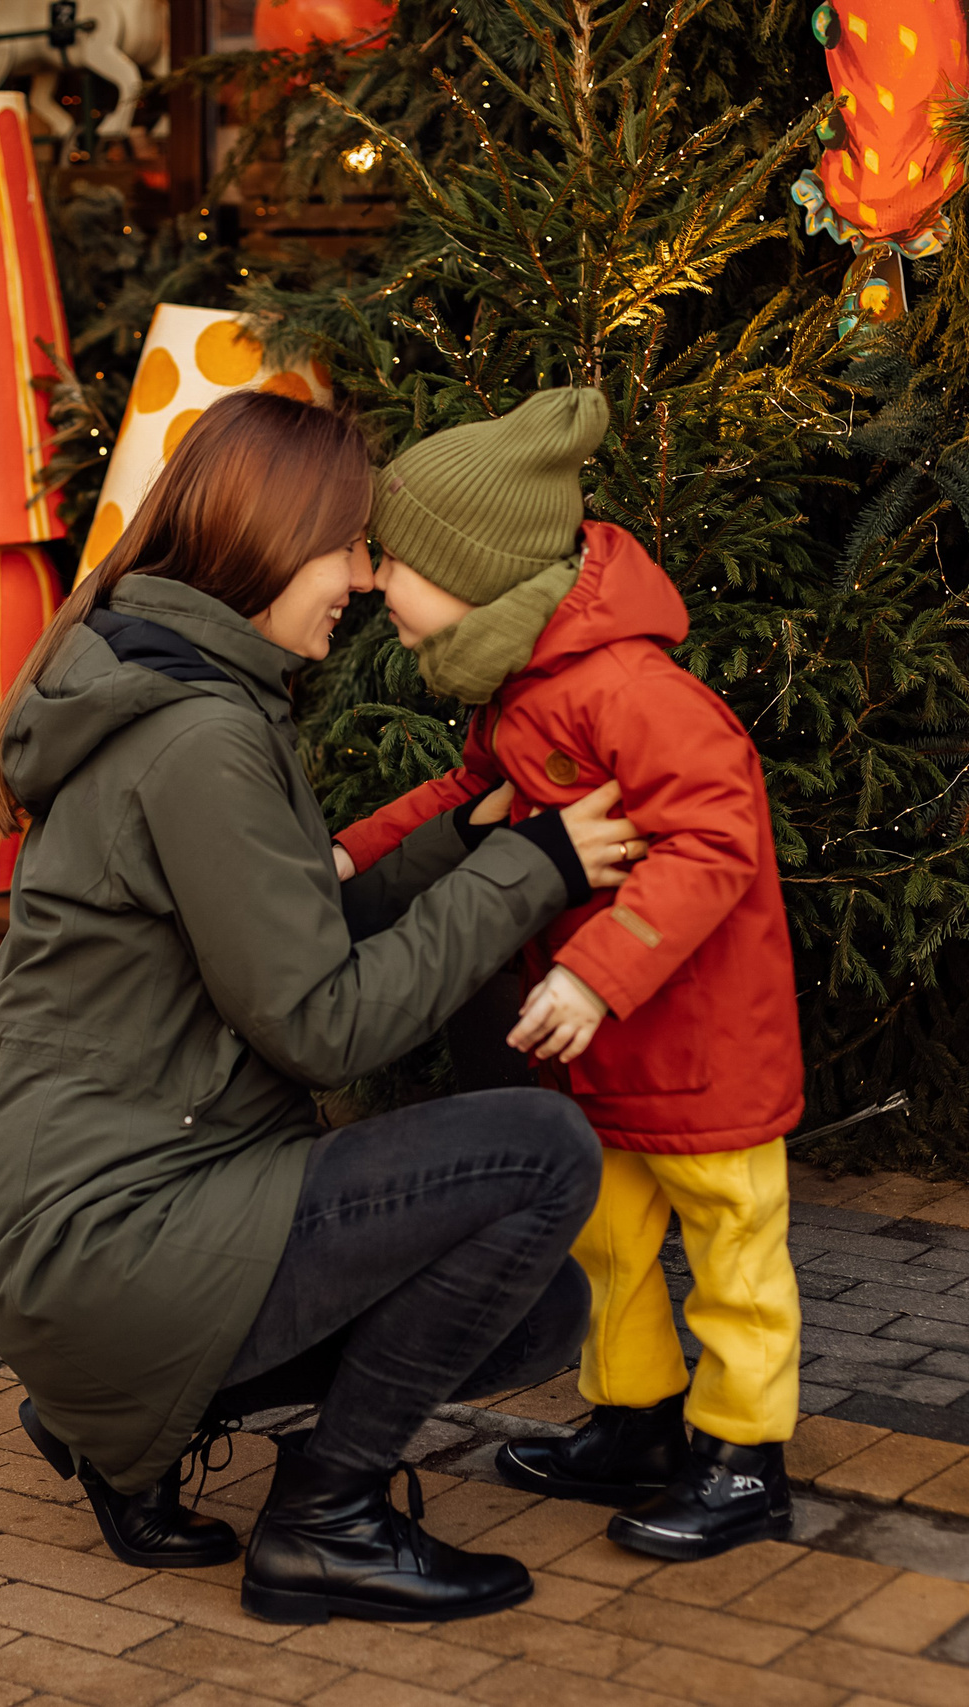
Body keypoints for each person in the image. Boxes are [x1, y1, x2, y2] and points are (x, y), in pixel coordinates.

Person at [0, 389, 645, 1625]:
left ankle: (116, 1416)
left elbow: (286, 930)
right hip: (114, 1238)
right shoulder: (199, 738)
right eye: (347, 546)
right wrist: (532, 868)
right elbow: (321, 1024)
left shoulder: (177, 688)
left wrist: (468, 839)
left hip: (102, 1230)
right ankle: (323, 1520)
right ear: (273, 545)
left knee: (539, 1307)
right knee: (540, 1155)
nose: (367, 579)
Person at [331, 386, 808, 1561]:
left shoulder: (636, 693)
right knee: (605, 1238)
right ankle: (635, 1421)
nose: (376, 586)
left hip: (698, 1043)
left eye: (397, 562)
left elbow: (714, 842)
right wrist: (352, 853)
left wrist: (594, 974)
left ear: (477, 570)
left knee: (733, 1248)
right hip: (599, 1045)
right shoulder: (529, 689)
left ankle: (743, 1457)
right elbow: (465, 799)